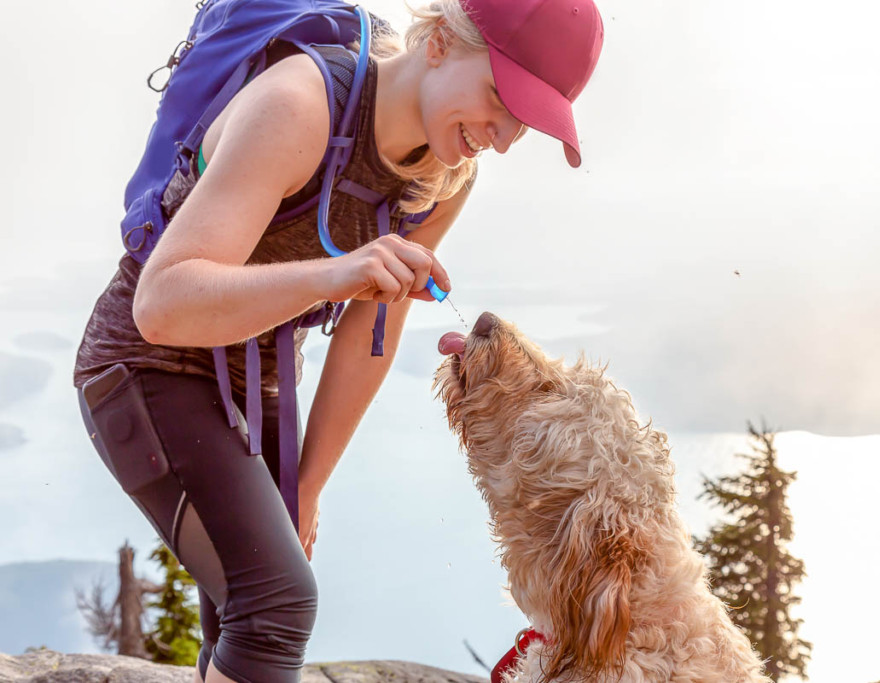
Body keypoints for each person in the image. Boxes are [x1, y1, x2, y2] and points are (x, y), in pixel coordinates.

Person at [73, 0, 604, 681]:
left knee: (240, 620)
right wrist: (338, 272)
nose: (501, 136)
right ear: (440, 40)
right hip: (144, 367)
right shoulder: (299, 105)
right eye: (500, 97)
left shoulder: (444, 178)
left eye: (523, 122)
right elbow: (161, 303)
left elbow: (369, 334)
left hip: (256, 380)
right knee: (275, 604)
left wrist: (309, 486)